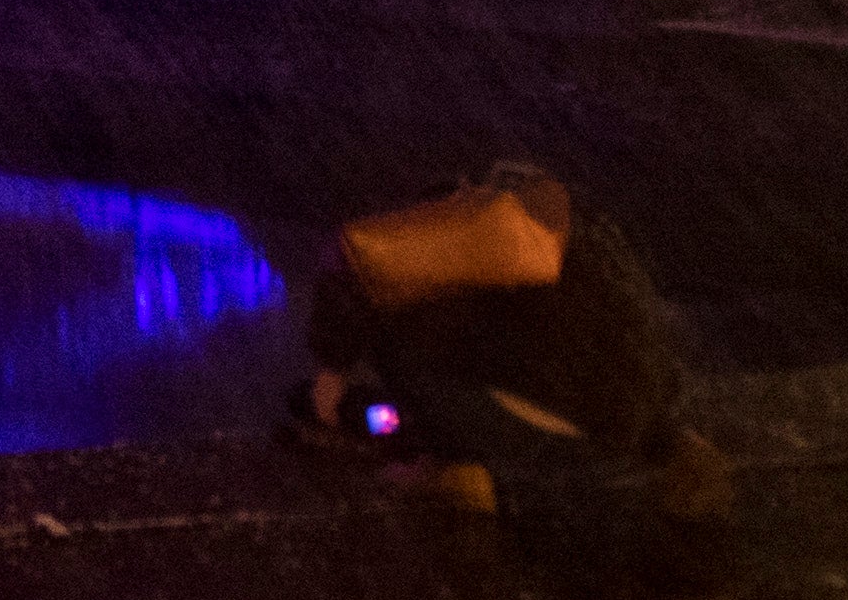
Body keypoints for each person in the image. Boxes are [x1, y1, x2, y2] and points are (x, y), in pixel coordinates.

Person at [292, 161, 732, 523]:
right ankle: (685, 456)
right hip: (608, 446)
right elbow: (650, 352)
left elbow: (359, 268)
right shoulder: (591, 239)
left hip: (507, 431)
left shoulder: (473, 234)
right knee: (567, 355)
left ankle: (453, 467)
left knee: (390, 318)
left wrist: (329, 383)